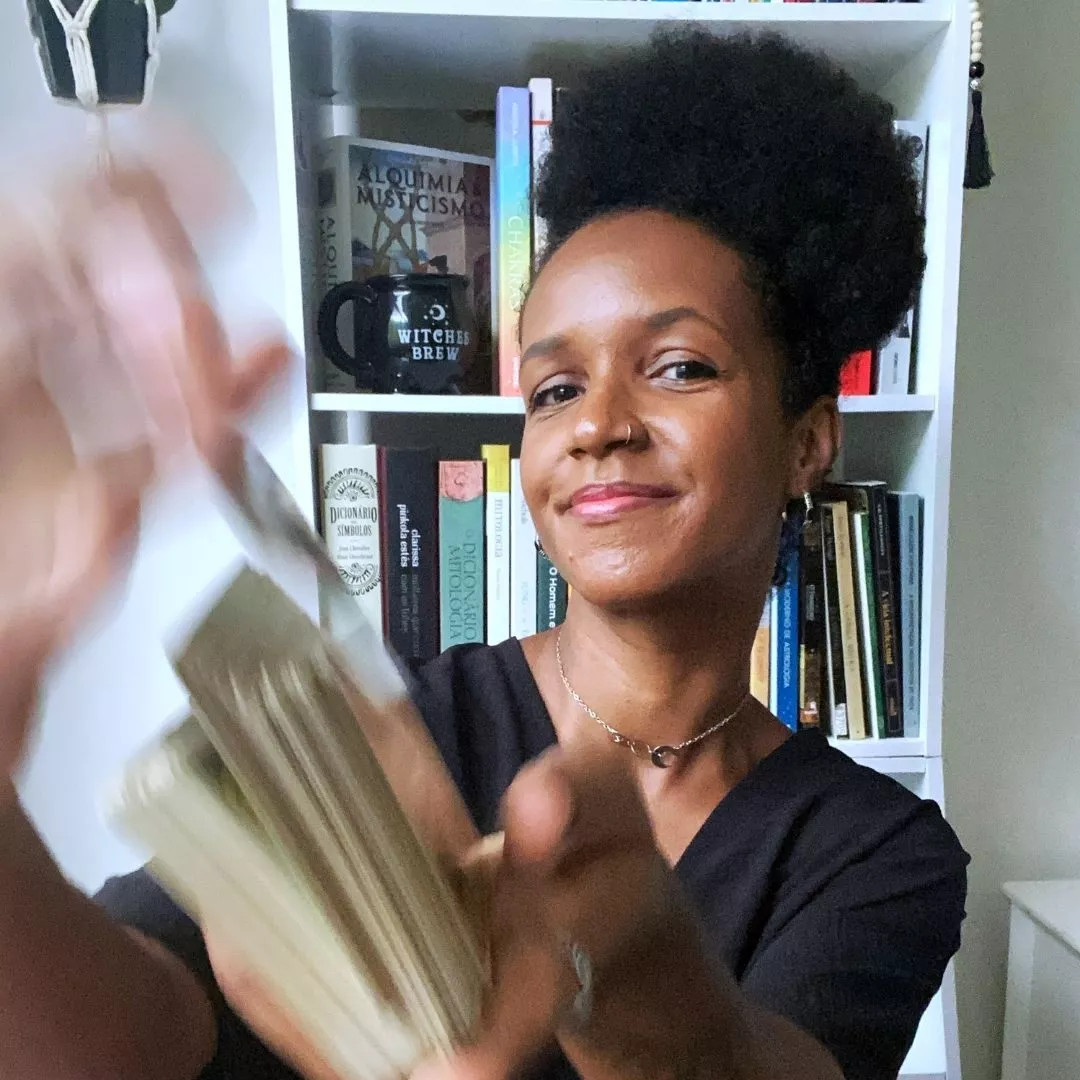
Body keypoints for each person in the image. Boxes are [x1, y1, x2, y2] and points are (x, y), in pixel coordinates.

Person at [0, 26, 968, 1080]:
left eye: (679, 367)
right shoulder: (382, 729)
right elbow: (123, 1038)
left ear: (810, 441)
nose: (596, 424)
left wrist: (625, 972)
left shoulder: (876, 850)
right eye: (555, 388)